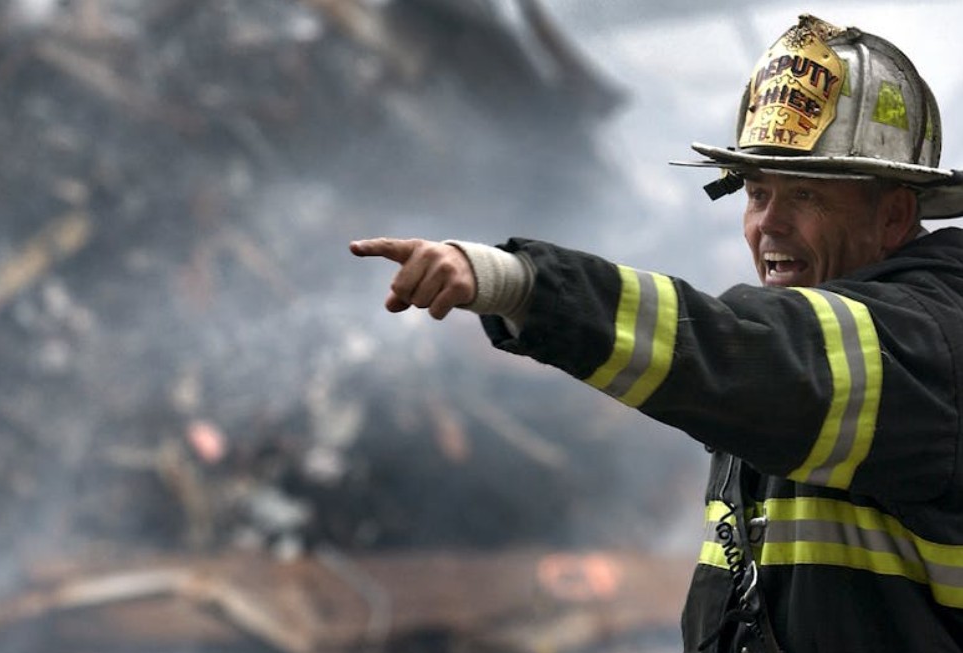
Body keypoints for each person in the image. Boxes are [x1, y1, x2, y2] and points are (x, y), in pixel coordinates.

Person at [350, 13, 963, 653]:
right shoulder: (811, 372)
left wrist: (521, 283)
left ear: (894, 216)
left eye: (806, 196)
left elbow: (740, 349)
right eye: (756, 194)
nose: (768, 225)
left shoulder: (927, 343)